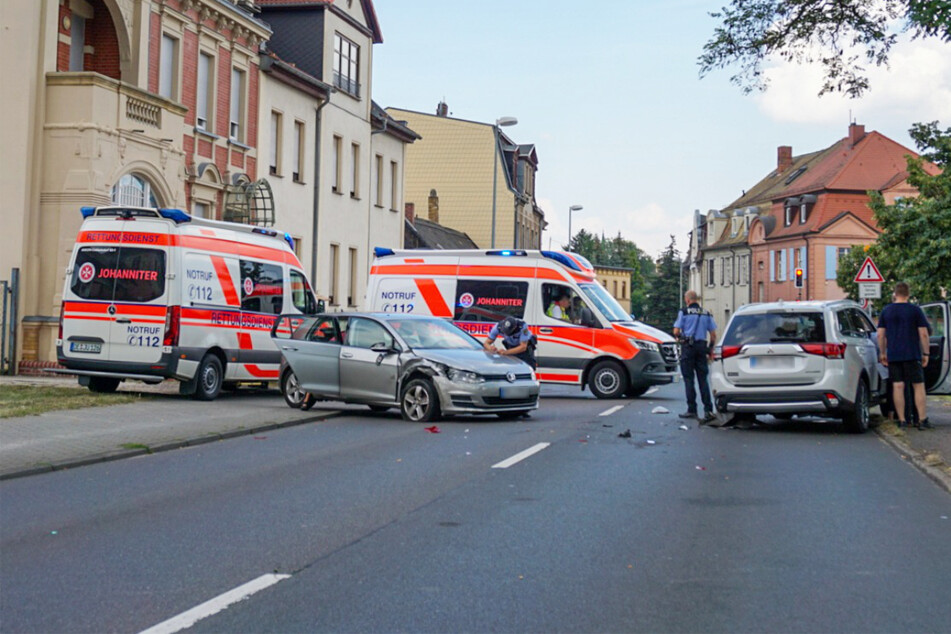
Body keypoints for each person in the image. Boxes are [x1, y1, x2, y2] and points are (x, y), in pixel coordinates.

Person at [877, 281, 931, 429]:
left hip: (894, 354)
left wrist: (882, 353)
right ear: (908, 294)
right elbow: (924, 334)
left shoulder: (886, 311)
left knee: (898, 386)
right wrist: (926, 353)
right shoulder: (915, 311)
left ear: (895, 294)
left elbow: (880, 335)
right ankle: (921, 419)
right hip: (912, 353)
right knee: (918, 386)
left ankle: (901, 420)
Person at [673, 290, 717, 424]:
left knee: (688, 379)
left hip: (688, 348)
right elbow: (713, 335)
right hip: (701, 347)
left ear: (687, 300)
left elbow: (676, 331)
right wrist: (710, 349)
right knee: (703, 379)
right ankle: (708, 410)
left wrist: (681, 339)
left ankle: (692, 409)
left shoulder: (684, 312)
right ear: (696, 299)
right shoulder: (706, 313)